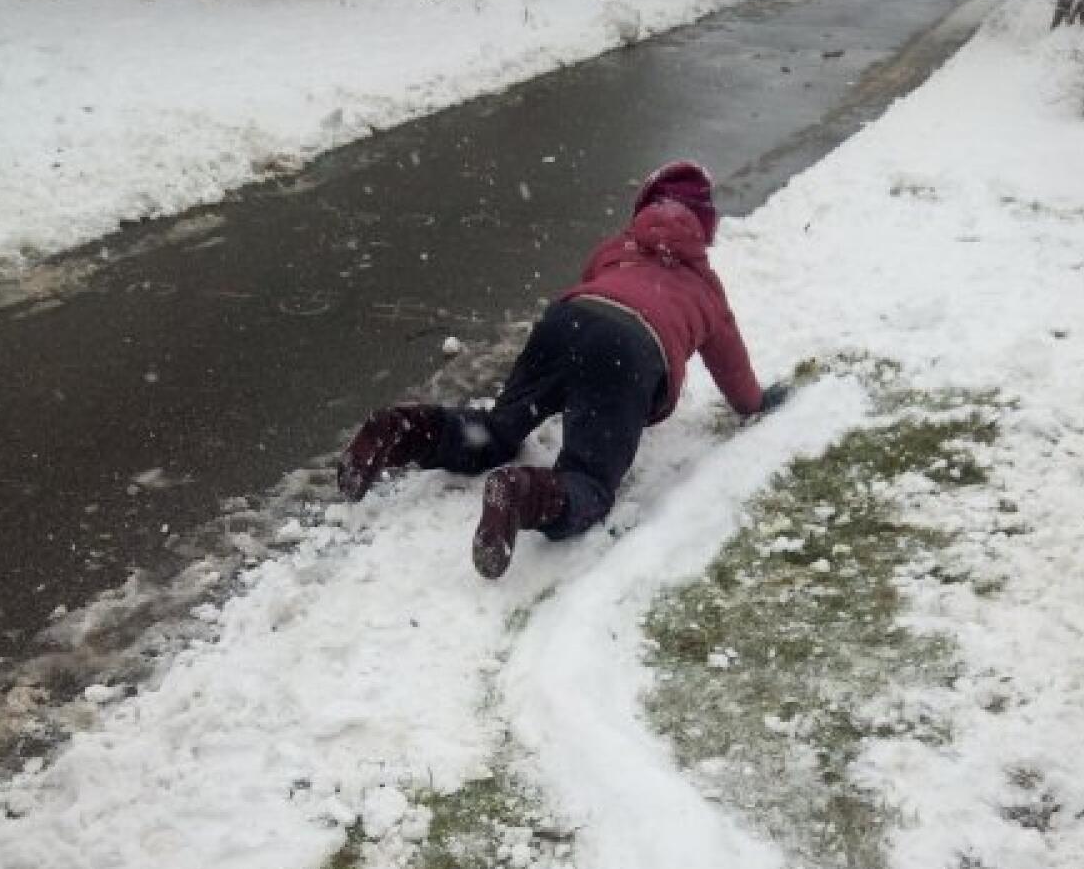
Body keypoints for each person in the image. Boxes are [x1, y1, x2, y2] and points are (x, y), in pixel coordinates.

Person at [337, 160, 789, 578]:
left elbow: (592, 288)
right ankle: (523, 494)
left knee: (496, 432)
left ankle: (402, 429)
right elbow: (731, 367)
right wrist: (753, 404)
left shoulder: (616, 249)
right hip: (629, 350)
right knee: (588, 478)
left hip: (568, 322)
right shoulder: (706, 289)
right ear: (706, 229)